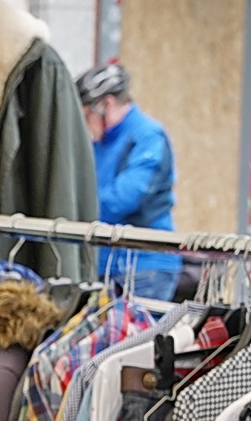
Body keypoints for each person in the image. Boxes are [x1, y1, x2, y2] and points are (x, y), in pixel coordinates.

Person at [76, 63, 180, 300]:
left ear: (107, 104)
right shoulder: (100, 142)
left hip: (146, 267)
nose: (86, 124)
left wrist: (74, 209)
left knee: (136, 338)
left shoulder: (148, 136)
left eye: (87, 115)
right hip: (106, 263)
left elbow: (122, 200)